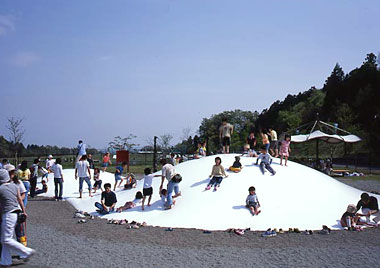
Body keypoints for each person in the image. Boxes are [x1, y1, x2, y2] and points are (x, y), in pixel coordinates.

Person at [0, 169, 35, 266]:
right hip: (17, 212)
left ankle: (27, 251)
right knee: (5, 238)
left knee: (6, 239)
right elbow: (20, 199)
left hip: (8, 213)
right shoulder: (15, 186)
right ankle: (5, 261)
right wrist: (24, 211)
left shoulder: (1, 188)